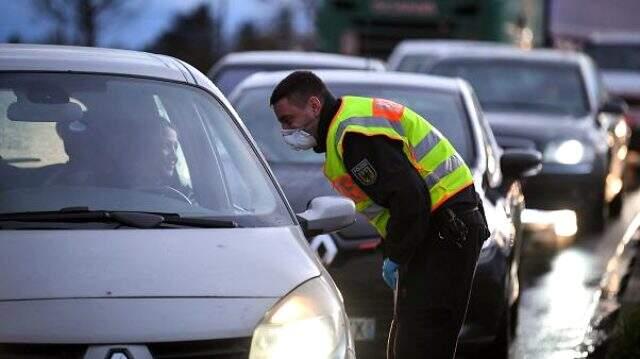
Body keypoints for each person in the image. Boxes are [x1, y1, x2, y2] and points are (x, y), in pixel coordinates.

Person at [269, 71, 490, 359]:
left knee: (422, 343)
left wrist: (396, 255)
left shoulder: (353, 138)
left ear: (314, 106)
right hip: (439, 230)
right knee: (411, 341)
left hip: (445, 230)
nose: (286, 131)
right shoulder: (347, 129)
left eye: (288, 120)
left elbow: (410, 199)